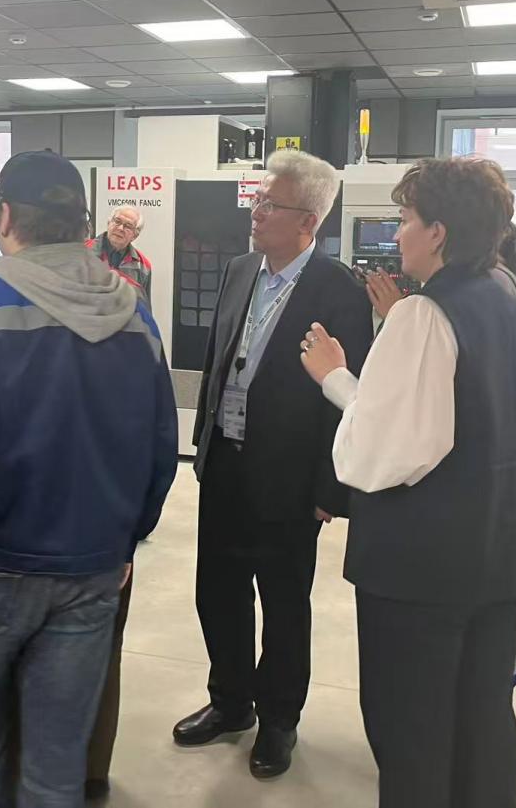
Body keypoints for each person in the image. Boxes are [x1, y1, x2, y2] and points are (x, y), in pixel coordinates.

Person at [0, 150, 178, 808]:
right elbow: (161, 446)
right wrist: (124, 540)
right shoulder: (134, 311)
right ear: (82, 222)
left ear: (5, 217)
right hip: (92, 571)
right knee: (57, 763)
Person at [298, 156, 516, 808]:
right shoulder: (505, 295)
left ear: (438, 232)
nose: (396, 234)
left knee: (412, 731)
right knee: (482, 719)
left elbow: (380, 454)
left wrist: (334, 377)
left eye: (404, 219)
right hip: (499, 554)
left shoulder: (422, 316)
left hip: (421, 573)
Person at [173, 149, 374, 779]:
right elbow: (218, 361)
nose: (255, 212)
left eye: (270, 204)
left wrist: (329, 490)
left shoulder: (338, 290)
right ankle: (230, 702)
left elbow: (349, 396)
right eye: (257, 200)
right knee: (217, 591)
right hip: (225, 465)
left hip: (289, 479)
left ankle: (279, 719)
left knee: (284, 604)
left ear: (308, 221)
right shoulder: (240, 271)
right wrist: (202, 446)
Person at [88, 206, 152, 300]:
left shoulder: (142, 266)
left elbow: (143, 305)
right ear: (109, 223)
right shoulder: (82, 252)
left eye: (128, 226)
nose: (120, 228)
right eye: (117, 221)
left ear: (135, 235)